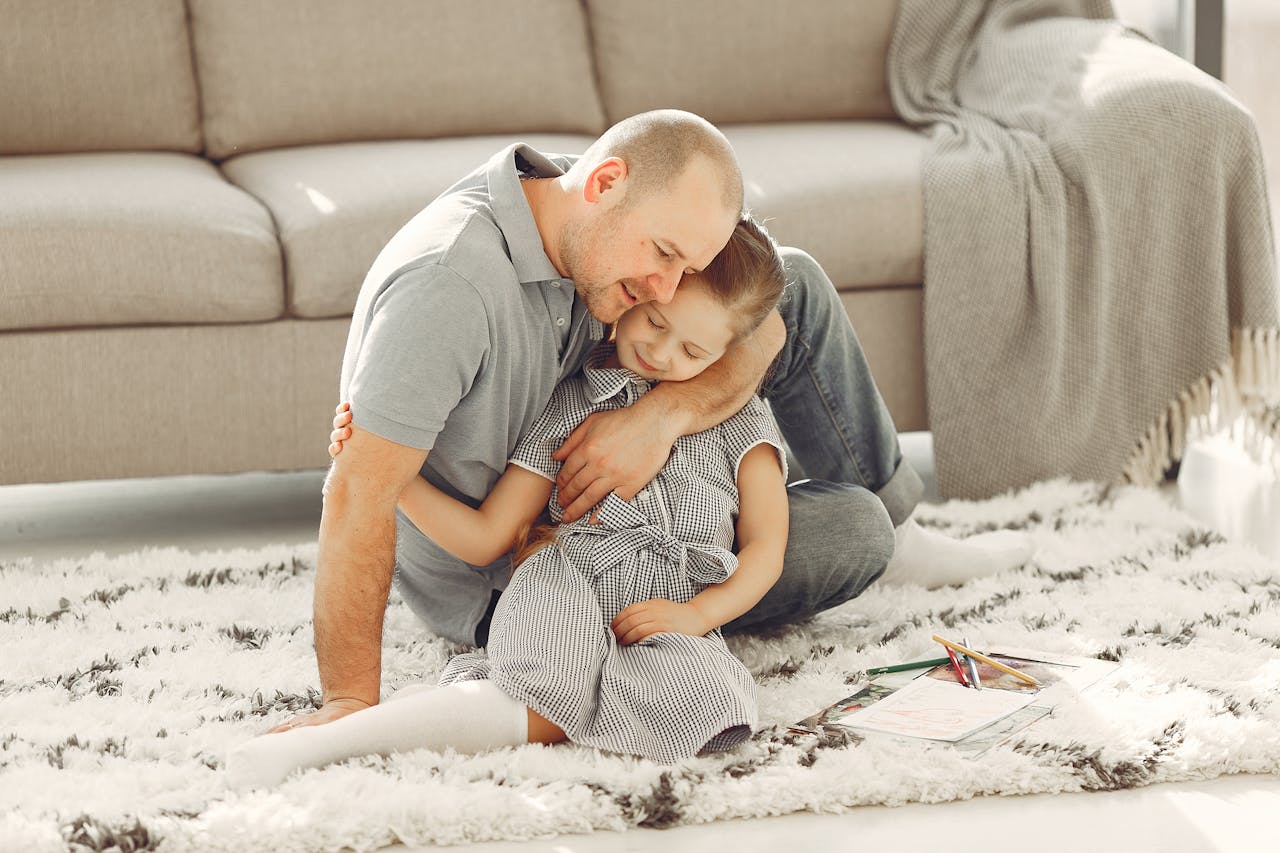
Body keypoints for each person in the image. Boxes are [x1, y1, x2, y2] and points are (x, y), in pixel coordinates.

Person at [289, 108, 1031, 736]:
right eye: (665, 257)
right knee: (852, 530)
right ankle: (883, 535)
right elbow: (360, 490)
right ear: (605, 185)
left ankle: (906, 530)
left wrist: (662, 414)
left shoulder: (593, 214)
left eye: (682, 265)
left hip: (647, 508)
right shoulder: (448, 286)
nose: (666, 287)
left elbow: (764, 316)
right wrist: (349, 699)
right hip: (528, 571)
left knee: (788, 279)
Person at [228, 220, 790, 785]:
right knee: (548, 694)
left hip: (669, 608)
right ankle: (334, 743)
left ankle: (448, 712)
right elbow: (487, 537)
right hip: (566, 582)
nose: (660, 353)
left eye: (692, 349)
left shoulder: (741, 421)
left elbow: (766, 546)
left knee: (707, 705)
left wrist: (700, 614)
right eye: (654, 322)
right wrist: (395, 477)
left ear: (730, 352)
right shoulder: (573, 404)